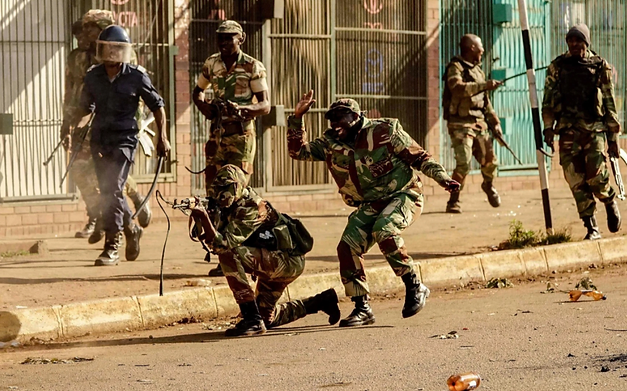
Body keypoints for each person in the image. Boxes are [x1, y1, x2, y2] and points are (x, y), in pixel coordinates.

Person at [288, 94, 460, 325]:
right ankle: (362, 308)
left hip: (404, 193)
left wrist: (443, 179)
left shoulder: (385, 130)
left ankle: (415, 286)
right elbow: (297, 151)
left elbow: (419, 158)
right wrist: (297, 118)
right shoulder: (330, 143)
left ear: (357, 117)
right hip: (370, 204)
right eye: (332, 119)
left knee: (385, 230)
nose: (336, 124)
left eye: (341, 117)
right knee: (347, 246)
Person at [189, 165, 341, 337]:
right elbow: (216, 236)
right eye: (217, 189)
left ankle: (251, 319)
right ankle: (320, 302)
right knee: (267, 318)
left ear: (238, 187)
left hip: (287, 260)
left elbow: (223, 244)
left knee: (229, 255)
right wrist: (206, 217)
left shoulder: (251, 207)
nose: (220, 194)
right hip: (274, 259)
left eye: (226, 189)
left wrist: (204, 217)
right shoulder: (231, 204)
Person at [72, 25, 170, 265]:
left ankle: (111, 246)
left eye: (117, 49)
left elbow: (157, 106)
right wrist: (79, 124)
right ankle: (131, 229)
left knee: (112, 188)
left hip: (125, 139)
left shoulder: (136, 76)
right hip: (100, 139)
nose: (112, 54)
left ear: (124, 51)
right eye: (108, 48)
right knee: (109, 191)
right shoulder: (93, 75)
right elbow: (86, 107)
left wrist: (163, 138)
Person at [61, 10, 151, 250]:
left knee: (112, 176)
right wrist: (66, 123)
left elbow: (135, 93)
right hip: (84, 119)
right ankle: (98, 214)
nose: (85, 32)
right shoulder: (77, 57)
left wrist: (134, 124)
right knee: (81, 170)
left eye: (91, 27)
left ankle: (121, 215)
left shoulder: (122, 52)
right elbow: (71, 91)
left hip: (115, 124)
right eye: (84, 28)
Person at [191, 20, 270, 276]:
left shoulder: (252, 66)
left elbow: (265, 105)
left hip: (241, 138)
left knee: (236, 195)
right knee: (215, 196)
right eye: (220, 38)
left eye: (229, 38)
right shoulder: (211, 64)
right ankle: (223, 255)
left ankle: (244, 254)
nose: (224, 43)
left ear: (241, 39)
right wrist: (206, 108)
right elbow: (197, 93)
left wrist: (244, 111)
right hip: (217, 137)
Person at [542, 23, 622, 240]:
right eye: (571, 40)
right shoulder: (557, 67)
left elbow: (609, 104)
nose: (574, 44)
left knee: (595, 175)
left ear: (587, 42)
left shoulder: (599, 67)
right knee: (575, 179)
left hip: (593, 129)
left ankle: (608, 199)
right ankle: (591, 227)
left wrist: (613, 139)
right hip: (567, 130)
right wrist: (548, 128)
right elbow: (548, 101)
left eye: (579, 40)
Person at [442, 34, 504, 214]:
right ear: (471, 49)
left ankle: (488, 185)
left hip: (479, 123)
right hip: (460, 124)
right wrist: (484, 85)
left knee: (490, 161)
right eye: (480, 47)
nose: (483, 51)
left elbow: (485, 102)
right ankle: (453, 200)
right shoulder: (456, 67)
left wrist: (495, 122)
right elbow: (457, 87)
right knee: (464, 163)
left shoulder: (479, 71)